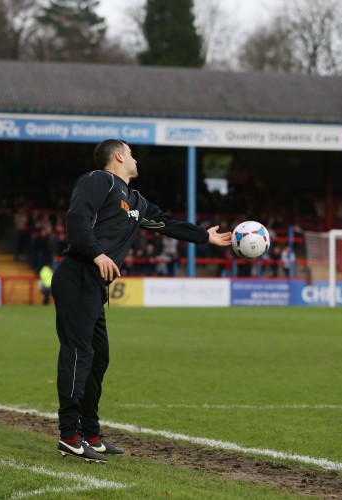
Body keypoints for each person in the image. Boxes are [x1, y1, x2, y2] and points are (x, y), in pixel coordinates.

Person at [51, 139, 232, 463]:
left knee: (98, 358)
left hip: (94, 286)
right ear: (119, 156)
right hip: (77, 275)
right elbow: (77, 218)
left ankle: (91, 434)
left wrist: (204, 236)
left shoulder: (135, 200)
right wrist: (96, 253)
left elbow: (166, 223)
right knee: (79, 353)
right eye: (131, 153)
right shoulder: (99, 180)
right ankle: (69, 436)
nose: (136, 159)